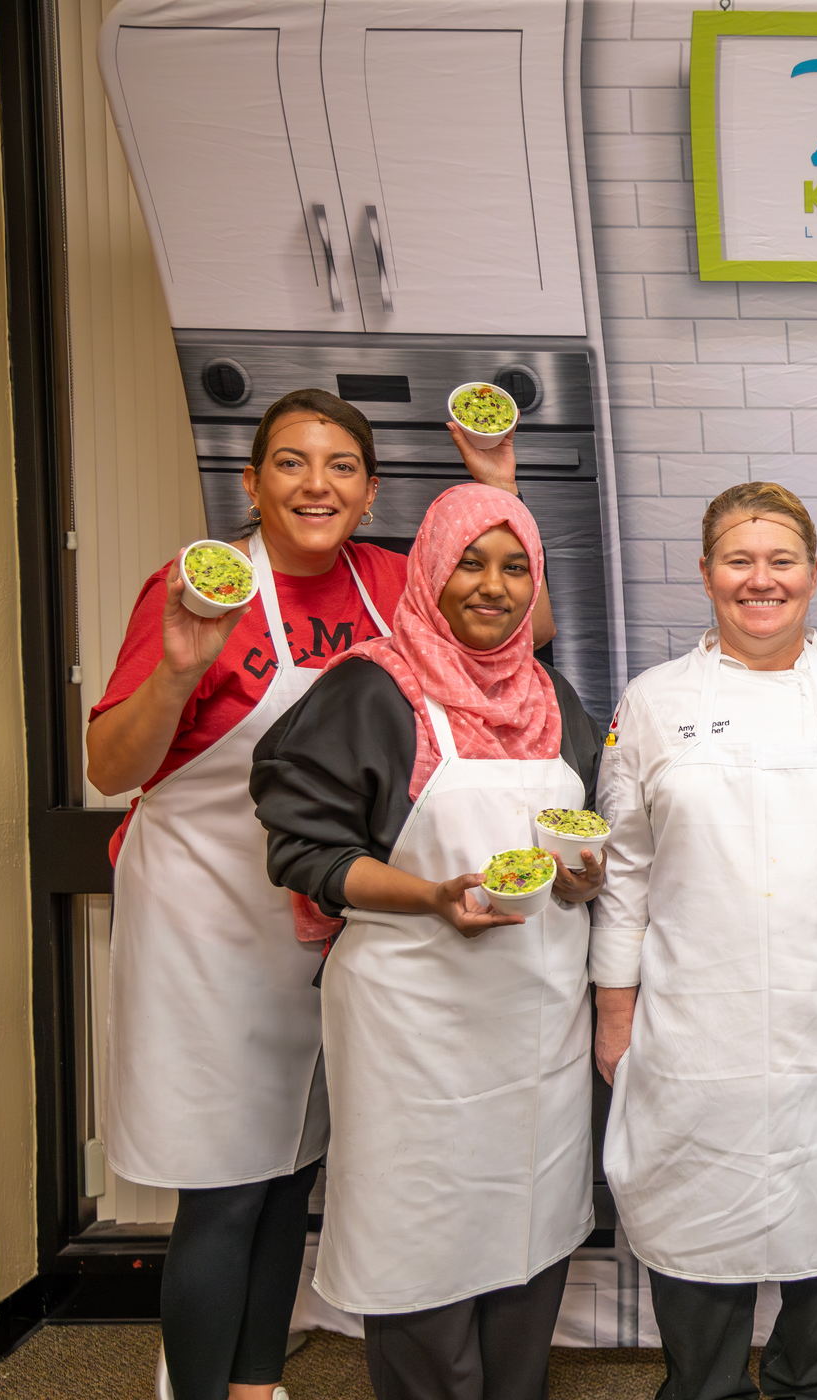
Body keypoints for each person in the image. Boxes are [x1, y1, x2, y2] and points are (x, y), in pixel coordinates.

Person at [86, 389, 538, 1400]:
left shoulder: (389, 582)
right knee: (224, 1182)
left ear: (370, 489)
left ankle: (257, 1383)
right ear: (250, 482)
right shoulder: (198, 587)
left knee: (293, 1164)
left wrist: (497, 484)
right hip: (205, 918)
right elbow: (113, 765)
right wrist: (177, 670)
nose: (315, 483)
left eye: (340, 465)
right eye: (290, 462)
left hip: (334, 913)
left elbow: (520, 627)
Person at [591, 482, 817, 1400]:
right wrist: (614, 1007)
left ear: (813, 574)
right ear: (708, 574)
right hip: (689, 1030)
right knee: (695, 1246)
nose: (762, 581)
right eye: (740, 560)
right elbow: (624, 871)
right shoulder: (651, 703)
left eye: (781, 560)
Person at [251, 483, 604, 1400]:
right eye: (469, 564)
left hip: (538, 1019)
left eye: (514, 565)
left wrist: (581, 872)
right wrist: (432, 897)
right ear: (430, 573)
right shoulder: (373, 687)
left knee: (529, 1223)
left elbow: (581, 828)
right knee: (422, 1233)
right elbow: (306, 852)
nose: (491, 587)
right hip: (414, 1019)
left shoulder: (552, 693)